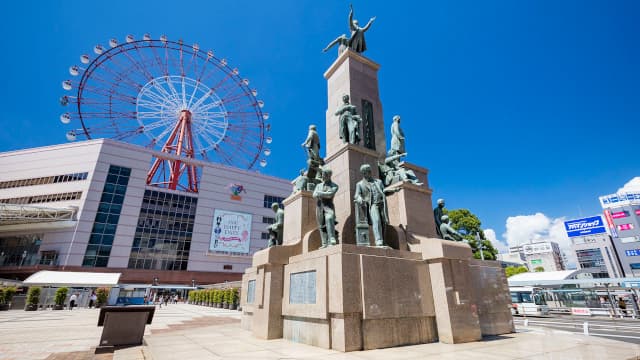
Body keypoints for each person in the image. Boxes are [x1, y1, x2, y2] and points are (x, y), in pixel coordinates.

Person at [354, 164, 389, 247]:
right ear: (363, 173)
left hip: (382, 204)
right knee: (376, 220)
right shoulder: (360, 184)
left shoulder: (378, 182)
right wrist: (359, 198)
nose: (369, 173)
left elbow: (384, 191)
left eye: (370, 171)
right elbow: (356, 195)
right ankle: (378, 240)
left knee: (383, 222)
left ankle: (383, 240)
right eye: (367, 172)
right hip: (372, 205)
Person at [312, 167, 339, 248]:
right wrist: (324, 193)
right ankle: (324, 243)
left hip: (329, 206)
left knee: (329, 218)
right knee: (321, 225)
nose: (322, 176)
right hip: (319, 207)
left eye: (324, 175)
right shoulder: (318, 185)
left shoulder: (334, 186)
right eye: (322, 175)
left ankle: (332, 239)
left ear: (328, 175)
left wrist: (320, 193)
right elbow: (314, 195)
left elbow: (330, 195)